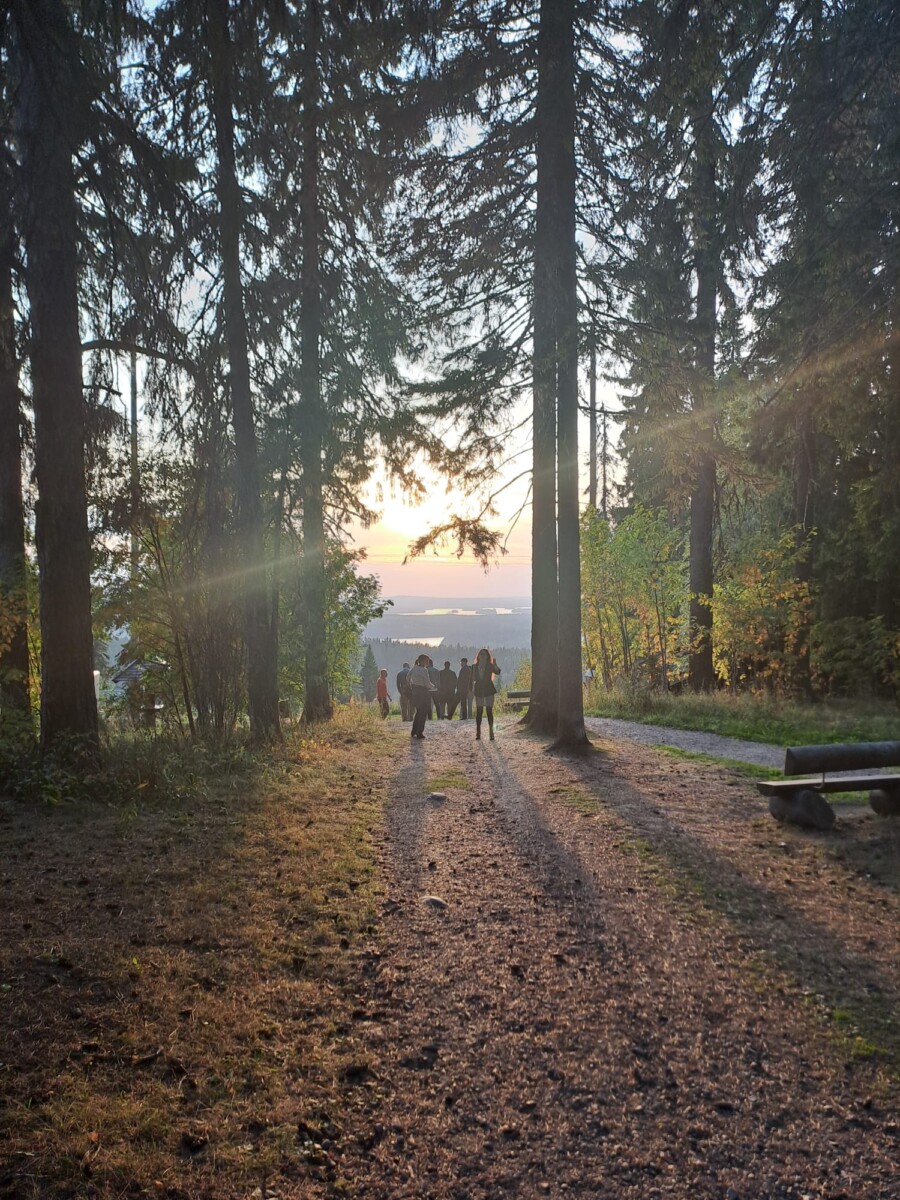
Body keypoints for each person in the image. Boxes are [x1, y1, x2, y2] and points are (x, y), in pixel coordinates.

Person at [471, 647, 501, 741]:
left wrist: (495, 665)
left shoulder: (490, 666)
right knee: (479, 711)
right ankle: (478, 732)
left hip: (489, 689)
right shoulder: (474, 666)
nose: (482, 656)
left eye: (484, 654)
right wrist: (470, 689)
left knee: (489, 711)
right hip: (479, 689)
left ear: (488, 656)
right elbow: (471, 679)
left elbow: (498, 672)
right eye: (481, 654)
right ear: (478, 656)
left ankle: (491, 733)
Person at [407, 654, 437, 739]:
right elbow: (427, 683)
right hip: (423, 692)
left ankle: (414, 731)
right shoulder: (424, 670)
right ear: (423, 660)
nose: (428, 662)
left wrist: (411, 684)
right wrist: (433, 686)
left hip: (415, 691)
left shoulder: (414, 668)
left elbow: (407, 677)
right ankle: (420, 732)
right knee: (423, 712)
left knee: (418, 711)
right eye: (427, 660)